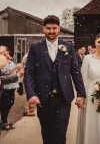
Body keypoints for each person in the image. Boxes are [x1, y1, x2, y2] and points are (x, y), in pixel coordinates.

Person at [24, 15, 86, 144]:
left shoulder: (67, 46)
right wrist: (31, 94)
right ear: (43, 29)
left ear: (59, 29)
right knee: (47, 135)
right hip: (42, 99)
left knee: (59, 134)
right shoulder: (35, 47)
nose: (51, 31)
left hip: (63, 99)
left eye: (54, 28)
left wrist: (81, 94)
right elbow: (29, 73)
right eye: (48, 28)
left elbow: (75, 72)